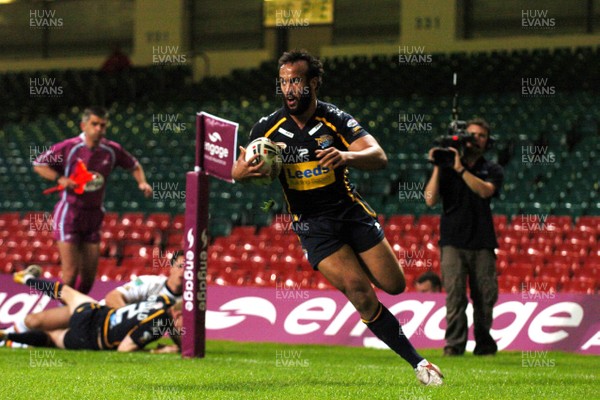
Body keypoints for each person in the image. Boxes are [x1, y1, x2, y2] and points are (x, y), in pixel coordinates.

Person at [232, 50, 443, 386]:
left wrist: (345, 155)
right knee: (359, 291)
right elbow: (238, 170)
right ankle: (419, 364)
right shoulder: (267, 128)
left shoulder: (335, 120)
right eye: (284, 81)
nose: (288, 88)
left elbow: (379, 155)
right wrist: (244, 170)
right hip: (312, 224)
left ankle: (370, 286)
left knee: (395, 285)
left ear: (313, 83)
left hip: (350, 213)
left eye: (296, 81)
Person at [33, 106, 153, 294]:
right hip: (70, 213)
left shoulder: (111, 150)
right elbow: (39, 164)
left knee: (88, 278)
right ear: (84, 125)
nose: (98, 128)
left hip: (94, 214)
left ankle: (76, 314)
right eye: (94, 124)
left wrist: (142, 183)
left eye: (102, 125)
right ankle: (64, 315)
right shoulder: (69, 147)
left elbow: (134, 165)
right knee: (70, 275)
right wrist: (60, 178)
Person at [424, 118, 503, 356]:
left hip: (482, 241)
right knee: (455, 296)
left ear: (487, 142)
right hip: (452, 241)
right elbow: (429, 199)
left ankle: (484, 345)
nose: (475, 139)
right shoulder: (446, 169)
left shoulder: (492, 169)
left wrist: (460, 169)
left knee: (485, 296)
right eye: (471, 135)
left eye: (481, 135)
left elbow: (485, 191)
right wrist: (440, 165)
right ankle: (454, 346)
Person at [2, 252, 184, 341]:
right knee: (35, 321)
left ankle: (8, 339)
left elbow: (177, 331)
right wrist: (130, 320)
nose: (185, 271)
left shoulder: (185, 302)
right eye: (181, 266)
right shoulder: (149, 283)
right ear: (170, 267)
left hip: (105, 335)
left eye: (190, 267)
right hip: (98, 312)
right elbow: (113, 296)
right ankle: (26, 279)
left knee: (53, 339)